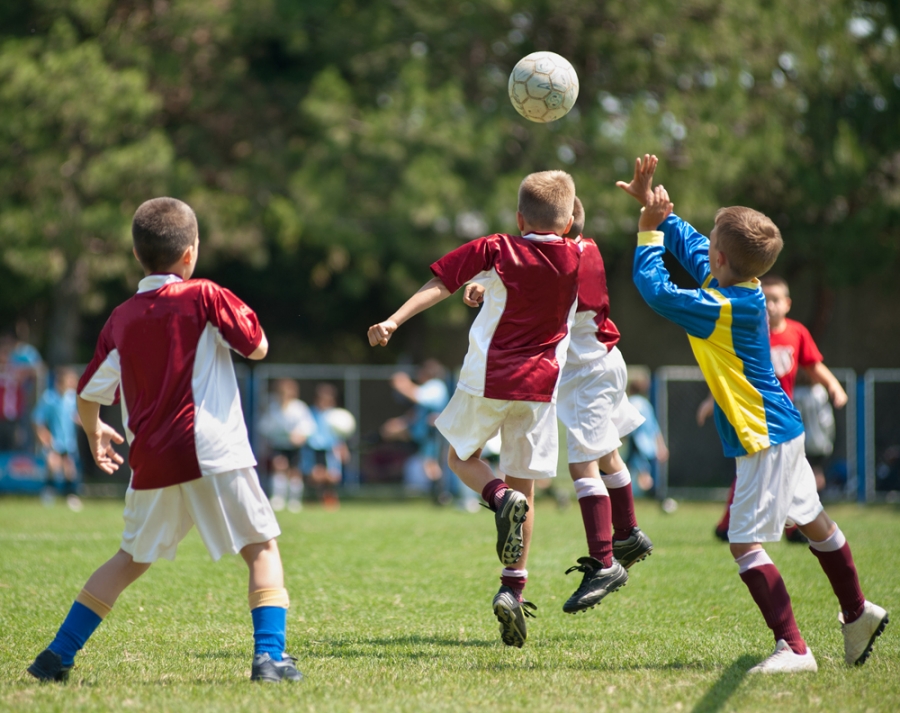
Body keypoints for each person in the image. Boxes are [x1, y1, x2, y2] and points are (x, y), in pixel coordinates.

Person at [624, 154, 887, 673]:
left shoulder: (724, 307)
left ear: (722, 261)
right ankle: (858, 613)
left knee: (744, 543)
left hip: (762, 438)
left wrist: (647, 234)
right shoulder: (734, 287)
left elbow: (654, 290)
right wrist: (661, 212)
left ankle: (794, 649)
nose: (706, 247)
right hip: (781, 430)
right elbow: (698, 246)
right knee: (813, 522)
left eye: (712, 242)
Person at [27, 197, 301, 684]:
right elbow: (258, 347)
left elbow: (88, 395)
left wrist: (93, 432)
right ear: (191, 253)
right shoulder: (205, 296)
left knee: (129, 559)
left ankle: (55, 657)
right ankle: (270, 659)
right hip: (214, 451)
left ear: (136, 256)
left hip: (151, 462)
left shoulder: (120, 319)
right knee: (261, 549)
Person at [368, 170, 581, 647]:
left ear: (519, 217)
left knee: (461, 460)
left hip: (488, 378)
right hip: (542, 386)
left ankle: (495, 497)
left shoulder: (497, 249)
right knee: (524, 482)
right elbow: (551, 260)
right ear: (568, 223)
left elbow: (441, 283)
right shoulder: (580, 255)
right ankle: (513, 586)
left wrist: (393, 319)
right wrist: (490, 289)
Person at [463, 196, 653, 615]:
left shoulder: (565, 259)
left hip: (586, 372)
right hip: (602, 362)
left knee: (582, 464)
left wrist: (490, 281)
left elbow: (534, 286)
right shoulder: (586, 249)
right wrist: (487, 282)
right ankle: (628, 532)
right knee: (607, 454)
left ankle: (604, 561)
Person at [698, 274, 848, 542]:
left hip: (783, 417)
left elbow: (813, 365)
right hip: (753, 416)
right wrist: (712, 401)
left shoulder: (797, 332)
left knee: (789, 471)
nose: (770, 305)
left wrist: (833, 386)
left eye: (776, 300)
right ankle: (729, 525)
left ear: (787, 303)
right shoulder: (750, 332)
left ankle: (795, 526)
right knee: (750, 468)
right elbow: (731, 373)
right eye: (765, 299)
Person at [382, 360, 454, 503]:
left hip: (435, 433)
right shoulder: (431, 386)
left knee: (432, 464)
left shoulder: (436, 386)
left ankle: (442, 494)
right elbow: (417, 412)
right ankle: (439, 495)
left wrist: (403, 384)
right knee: (429, 464)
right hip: (425, 433)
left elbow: (419, 397)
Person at [258, 378, 314, 512]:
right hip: (279, 444)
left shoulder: (299, 407)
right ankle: (278, 499)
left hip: (294, 446)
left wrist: (300, 435)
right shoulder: (273, 408)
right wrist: (270, 437)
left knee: (294, 472)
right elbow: (264, 426)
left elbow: (309, 426)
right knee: (279, 466)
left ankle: (294, 501)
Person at [32, 367, 82, 511]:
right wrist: (43, 435)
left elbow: (75, 416)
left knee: (69, 468)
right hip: (53, 440)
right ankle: (48, 492)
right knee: (53, 465)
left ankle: (71, 495)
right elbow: (37, 419)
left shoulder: (71, 398)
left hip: (68, 441)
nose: (73, 383)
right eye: (70, 380)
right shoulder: (49, 398)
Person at [621, 369, 669, 497]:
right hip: (648, 444)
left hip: (636, 442)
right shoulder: (646, 404)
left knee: (636, 470)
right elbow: (654, 428)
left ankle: (640, 492)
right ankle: (640, 492)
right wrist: (661, 446)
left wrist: (623, 438)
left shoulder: (629, 403)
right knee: (637, 468)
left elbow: (627, 424)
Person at [302, 383, 349, 509]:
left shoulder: (336, 415)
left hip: (329, 451)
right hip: (312, 450)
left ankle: (329, 500)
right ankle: (312, 499)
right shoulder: (309, 413)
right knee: (315, 476)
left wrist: (343, 447)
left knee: (333, 477)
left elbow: (339, 435)